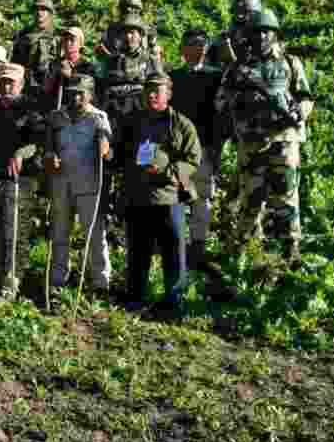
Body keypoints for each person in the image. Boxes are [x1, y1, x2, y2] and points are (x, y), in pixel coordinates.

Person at [217, 9, 314, 277]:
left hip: (283, 141)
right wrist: (245, 100)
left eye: (266, 31)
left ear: (274, 34)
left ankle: (291, 252)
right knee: (251, 200)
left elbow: (306, 97)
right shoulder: (238, 68)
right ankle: (245, 255)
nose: (262, 36)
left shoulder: (290, 63)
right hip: (251, 143)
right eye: (257, 32)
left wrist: (298, 113)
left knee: (287, 198)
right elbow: (222, 101)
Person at [115, 72, 201, 313]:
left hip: (168, 198)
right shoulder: (132, 121)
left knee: (173, 252)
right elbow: (119, 152)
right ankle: (135, 298)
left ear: (168, 94)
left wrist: (167, 171)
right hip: (137, 196)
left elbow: (193, 159)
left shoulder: (181, 124)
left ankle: (174, 303)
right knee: (137, 251)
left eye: (157, 90)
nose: (151, 95)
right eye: (148, 90)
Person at [168, 30, 234, 297]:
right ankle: (176, 244)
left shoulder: (215, 76)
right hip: (177, 148)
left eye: (202, 45)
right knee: (175, 196)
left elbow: (222, 113)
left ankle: (198, 245)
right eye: (193, 44)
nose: (198, 49)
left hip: (205, 146)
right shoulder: (174, 77)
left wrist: (218, 146)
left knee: (202, 197)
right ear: (183, 49)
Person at [46, 75, 113, 291]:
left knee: (94, 234)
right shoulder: (56, 117)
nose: (75, 98)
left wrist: (104, 145)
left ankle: (101, 281)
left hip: (88, 183)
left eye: (80, 93)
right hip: (61, 182)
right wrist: (49, 155)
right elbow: (48, 145)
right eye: (71, 93)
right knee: (59, 233)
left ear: (90, 95)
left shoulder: (98, 117)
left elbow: (107, 147)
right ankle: (58, 279)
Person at [0, 63, 37, 300]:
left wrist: (21, 153)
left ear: (21, 84)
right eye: (2, 82)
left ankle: (11, 284)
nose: (6, 87)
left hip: (18, 180)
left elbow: (40, 142)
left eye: (11, 82)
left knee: (14, 233)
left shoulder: (29, 109)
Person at [11, 0, 59, 83]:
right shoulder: (23, 35)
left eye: (43, 9)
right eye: (36, 9)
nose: (39, 12)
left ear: (50, 13)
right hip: (25, 82)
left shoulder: (58, 36)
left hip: (50, 83)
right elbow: (15, 62)